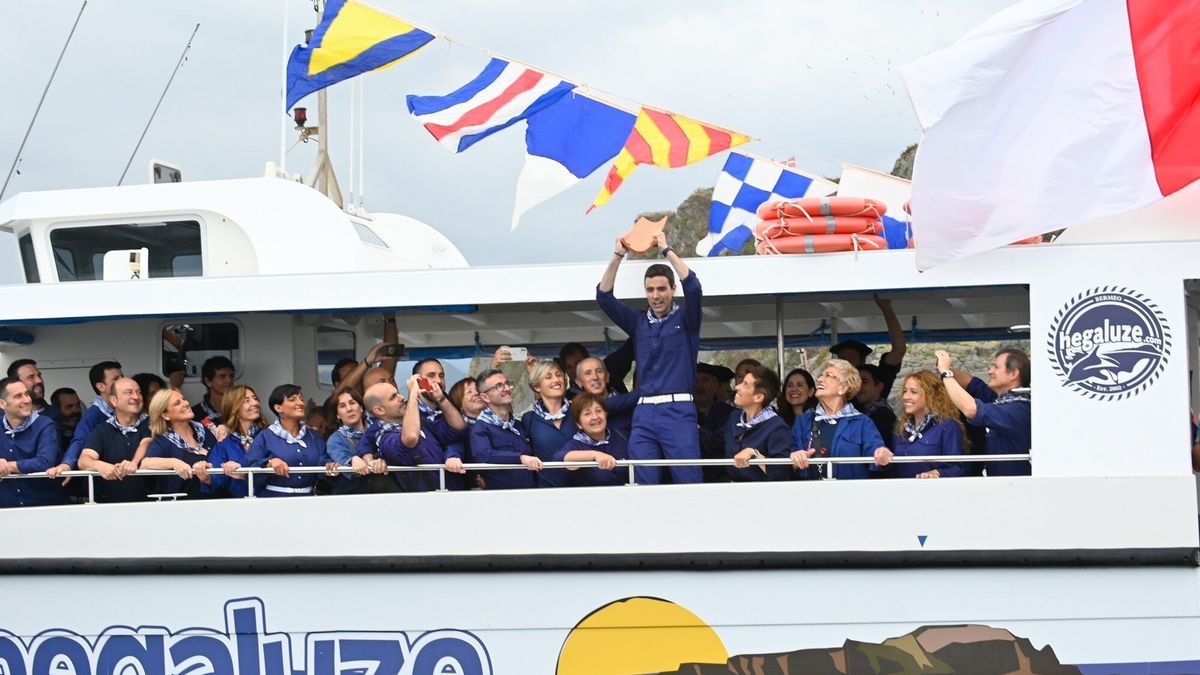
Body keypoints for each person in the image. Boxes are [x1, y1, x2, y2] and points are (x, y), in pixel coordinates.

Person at [596, 231, 703, 484]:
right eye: (650, 290)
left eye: (661, 289)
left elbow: (694, 286)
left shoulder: (687, 319)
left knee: (689, 482)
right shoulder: (638, 322)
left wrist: (666, 249)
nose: (655, 295)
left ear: (672, 289)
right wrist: (617, 254)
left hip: (678, 411)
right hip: (644, 413)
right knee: (643, 483)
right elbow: (604, 297)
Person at [789, 359, 893, 480]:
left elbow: (877, 457)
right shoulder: (803, 422)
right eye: (821, 375)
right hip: (810, 495)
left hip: (850, 495)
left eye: (828, 376)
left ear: (843, 388)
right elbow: (789, 462)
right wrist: (794, 458)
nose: (820, 379)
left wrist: (883, 454)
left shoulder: (863, 423)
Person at [936, 348, 1032, 477]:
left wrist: (945, 372)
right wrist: (943, 365)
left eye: (996, 367)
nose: (990, 371)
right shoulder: (999, 401)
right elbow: (969, 382)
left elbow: (971, 409)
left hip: (1015, 491)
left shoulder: (1019, 409)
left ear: (1014, 373)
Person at [238, 384, 338, 497]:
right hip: (274, 501)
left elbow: (323, 463)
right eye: (292, 399)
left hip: (308, 501)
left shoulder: (313, 437)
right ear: (278, 408)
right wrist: (269, 463)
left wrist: (330, 468)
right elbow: (250, 465)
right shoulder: (265, 436)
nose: (300, 403)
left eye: (301, 398)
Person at [375, 375, 468, 491]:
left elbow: (457, 430)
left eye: (398, 393)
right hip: (423, 504)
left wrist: (441, 399)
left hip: (453, 496)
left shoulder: (423, 423)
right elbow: (411, 438)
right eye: (393, 397)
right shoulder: (385, 438)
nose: (401, 397)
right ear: (379, 410)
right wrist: (413, 395)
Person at [77, 377, 150, 503]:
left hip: (153, 506)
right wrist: (99, 465)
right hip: (112, 508)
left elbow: (147, 443)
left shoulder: (154, 424)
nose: (136, 397)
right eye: (129, 392)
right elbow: (83, 460)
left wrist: (133, 462)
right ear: (114, 400)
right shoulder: (102, 430)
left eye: (138, 392)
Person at [0, 378, 67, 507]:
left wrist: (6, 467)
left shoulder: (45, 424)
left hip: (44, 507)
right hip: (6, 510)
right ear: (2, 404)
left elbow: (45, 461)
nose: (27, 400)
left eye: (26, 394)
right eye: (18, 396)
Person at [469, 369, 541, 489]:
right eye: (499, 386)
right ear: (485, 397)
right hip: (501, 499)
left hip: (530, 494)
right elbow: (484, 456)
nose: (507, 388)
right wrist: (520, 458)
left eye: (507, 383)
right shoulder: (480, 428)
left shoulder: (518, 425)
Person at [889, 371, 968, 479]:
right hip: (903, 492)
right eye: (905, 391)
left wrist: (937, 473)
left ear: (930, 395)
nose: (906, 397)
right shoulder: (901, 428)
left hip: (934, 491)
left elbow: (957, 467)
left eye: (913, 392)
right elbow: (894, 469)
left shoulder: (947, 426)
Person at [141, 388, 215, 499]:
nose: (186, 403)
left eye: (184, 399)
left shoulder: (204, 430)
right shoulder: (163, 441)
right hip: (182, 508)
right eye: (177, 403)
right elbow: (145, 464)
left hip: (217, 502)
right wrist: (173, 463)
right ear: (165, 415)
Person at [55, 360, 124, 478]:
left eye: (122, 377)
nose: (122, 382)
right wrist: (67, 464)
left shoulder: (120, 410)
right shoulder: (93, 415)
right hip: (102, 484)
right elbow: (79, 440)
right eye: (116, 379)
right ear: (100, 386)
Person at [829, 295, 907, 397]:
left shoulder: (876, 378)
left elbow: (899, 349)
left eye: (852, 358)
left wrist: (887, 308)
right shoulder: (832, 390)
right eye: (842, 358)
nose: (846, 363)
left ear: (862, 361)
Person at [725, 365, 792, 482]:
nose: (737, 387)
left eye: (745, 384)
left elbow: (782, 473)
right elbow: (716, 444)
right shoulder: (734, 417)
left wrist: (754, 454)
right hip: (732, 492)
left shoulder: (777, 427)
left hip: (762, 494)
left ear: (758, 397)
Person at [553, 392, 630, 487]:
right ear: (579, 424)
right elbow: (560, 458)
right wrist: (595, 455)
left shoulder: (621, 436)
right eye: (587, 413)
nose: (595, 417)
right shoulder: (576, 445)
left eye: (598, 411)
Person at [325, 386, 391, 494]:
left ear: (361, 407)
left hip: (384, 492)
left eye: (352, 403)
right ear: (337, 415)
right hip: (352, 496)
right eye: (342, 406)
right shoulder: (335, 439)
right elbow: (341, 457)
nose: (349, 409)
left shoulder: (379, 427)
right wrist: (353, 460)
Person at [204, 385, 266, 498]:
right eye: (247, 401)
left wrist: (244, 473)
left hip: (272, 502)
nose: (255, 403)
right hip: (238, 506)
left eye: (255, 398)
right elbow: (216, 480)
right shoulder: (225, 442)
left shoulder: (269, 435)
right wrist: (205, 477)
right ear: (234, 408)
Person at [520, 360, 574, 488]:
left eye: (558, 375)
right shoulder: (528, 419)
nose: (556, 380)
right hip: (547, 491)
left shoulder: (578, 410)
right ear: (537, 387)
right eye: (548, 377)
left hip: (586, 488)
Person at [573, 357, 637, 440]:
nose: (595, 377)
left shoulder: (630, 405)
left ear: (607, 377)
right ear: (579, 382)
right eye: (588, 373)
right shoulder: (577, 410)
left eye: (599, 371)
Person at [856, 364, 898, 446]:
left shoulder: (882, 415)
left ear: (879, 386)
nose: (859, 387)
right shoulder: (869, 412)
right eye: (857, 382)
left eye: (864, 382)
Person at [192, 356, 235, 429]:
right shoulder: (195, 414)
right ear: (208, 381)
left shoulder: (241, 408)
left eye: (231, 376)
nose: (229, 381)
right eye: (222, 376)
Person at [695, 362, 737, 434]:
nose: (700, 385)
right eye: (696, 381)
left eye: (705, 380)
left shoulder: (732, 415)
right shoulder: (681, 414)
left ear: (715, 384)